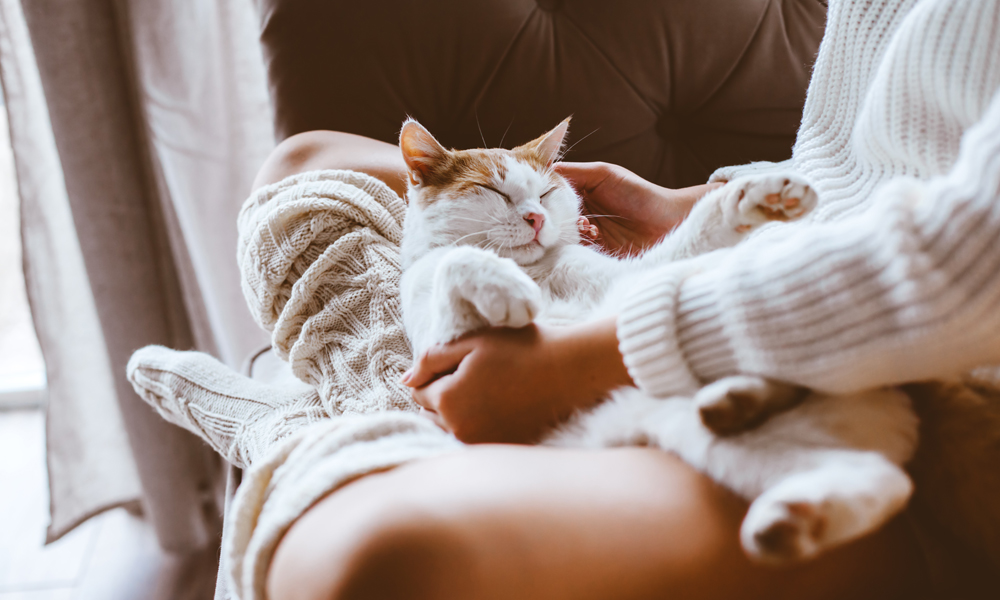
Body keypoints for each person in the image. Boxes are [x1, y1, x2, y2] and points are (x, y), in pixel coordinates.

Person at [259, 0, 999, 598]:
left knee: (370, 563)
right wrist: (696, 204)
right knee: (302, 161)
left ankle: (366, 391)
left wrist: (584, 363)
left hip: (923, 351)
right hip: (817, 248)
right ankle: (375, 381)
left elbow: (972, 260)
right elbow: (885, 150)